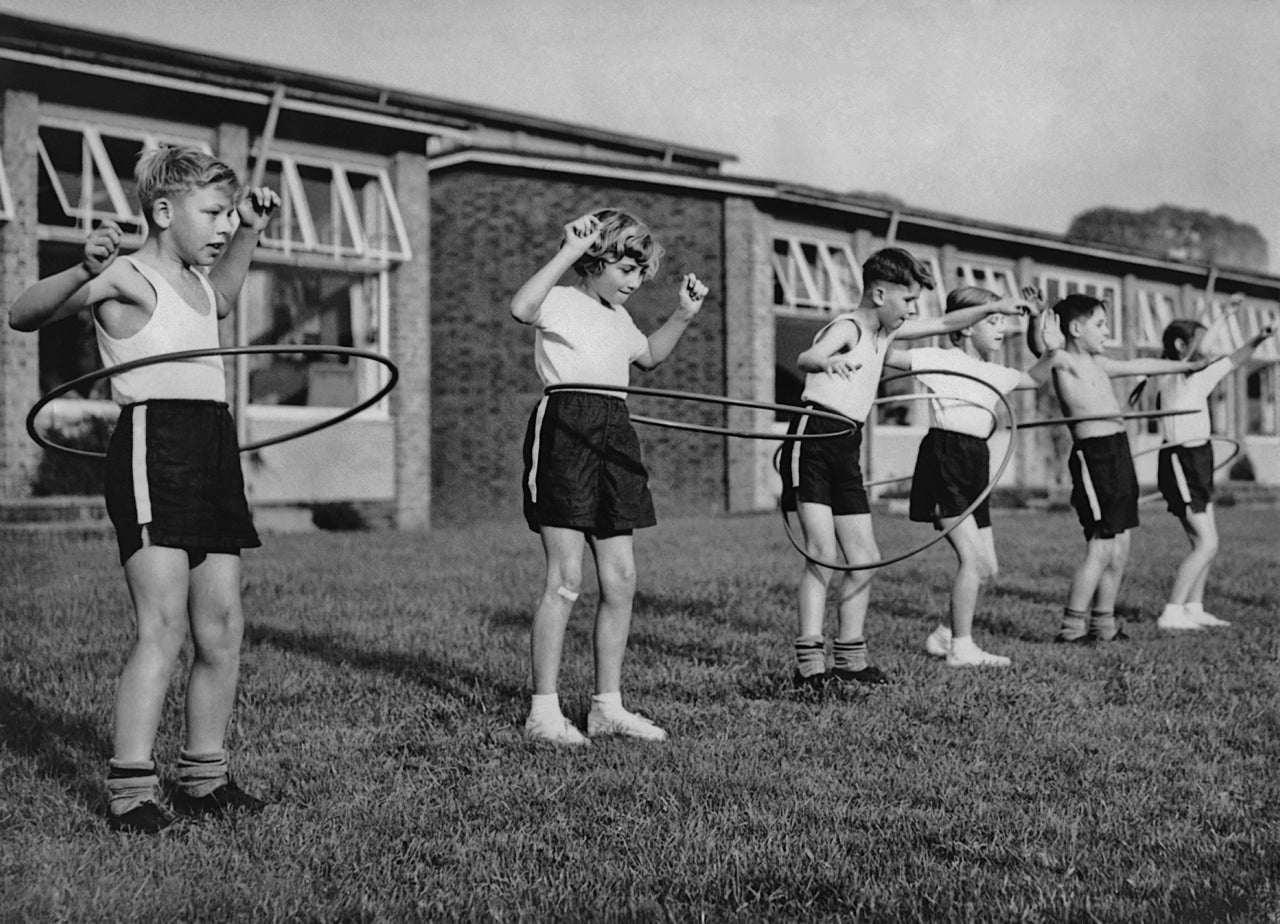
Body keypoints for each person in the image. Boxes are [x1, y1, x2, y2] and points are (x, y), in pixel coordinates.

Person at [8, 146, 280, 833]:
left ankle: (204, 779)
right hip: (154, 446)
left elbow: (220, 299)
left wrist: (249, 228)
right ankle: (131, 791)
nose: (221, 226)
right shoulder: (126, 275)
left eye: (227, 214)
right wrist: (84, 268)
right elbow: (22, 314)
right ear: (163, 210)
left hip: (212, 445)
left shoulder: (197, 282)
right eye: (213, 212)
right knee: (162, 624)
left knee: (222, 624)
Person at [781, 248, 1034, 690]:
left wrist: (995, 307)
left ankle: (851, 660)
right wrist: (828, 361)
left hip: (846, 443)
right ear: (880, 293)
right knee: (822, 552)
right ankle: (809, 668)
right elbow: (808, 356)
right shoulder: (850, 326)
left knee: (865, 557)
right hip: (813, 437)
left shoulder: (884, 332)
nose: (915, 310)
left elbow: (944, 324)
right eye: (909, 300)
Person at [510, 209, 707, 745]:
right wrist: (567, 250)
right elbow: (520, 308)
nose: (635, 282)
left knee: (621, 579)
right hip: (567, 430)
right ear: (595, 259)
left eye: (642, 275)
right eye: (626, 269)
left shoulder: (620, 319)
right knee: (566, 578)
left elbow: (649, 358)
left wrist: (684, 314)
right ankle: (543, 713)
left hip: (616, 433)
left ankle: (606, 707)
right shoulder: (560, 298)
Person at [895, 286, 1062, 667]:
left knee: (987, 566)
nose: (1002, 329)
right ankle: (962, 648)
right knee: (971, 559)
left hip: (977, 461)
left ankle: (945, 633)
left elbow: (1034, 380)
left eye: (1003, 321)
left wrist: (1052, 350)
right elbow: (885, 352)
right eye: (993, 320)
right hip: (944, 459)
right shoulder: (936, 358)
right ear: (967, 326)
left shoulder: (992, 372)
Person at [1030, 293, 1205, 644]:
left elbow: (1143, 363)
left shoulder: (1101, 364)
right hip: (1093, 458)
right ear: (1076, 328)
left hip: (1118, 452)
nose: (1107, 331)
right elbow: (1040, 349)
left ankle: (1104, 624)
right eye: (1100, 324)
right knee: (1101, 545)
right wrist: (1036, 320)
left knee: (1121, 546)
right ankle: (1071, 629)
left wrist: (1184, 366)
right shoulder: (1063, 359)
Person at [1128, 297, 1277, 630]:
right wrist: (1223, 315)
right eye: (1202, 343)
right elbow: (1205, 353)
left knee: (1204, 541)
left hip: (1199, 457)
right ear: (1182, 347)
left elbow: (1235, 360)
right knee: (1207, 543)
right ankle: (1172, 611)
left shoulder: (1195, 376)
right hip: (1181, 459)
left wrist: (1258, 339)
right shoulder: (1178, 376)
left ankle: (1193, 607)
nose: (1210, 351)